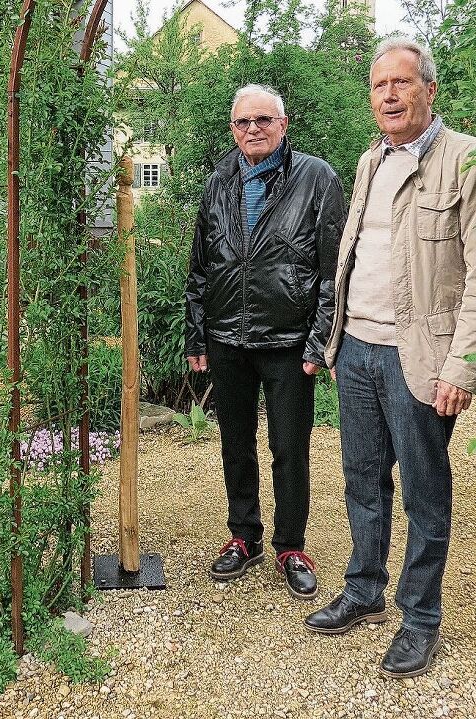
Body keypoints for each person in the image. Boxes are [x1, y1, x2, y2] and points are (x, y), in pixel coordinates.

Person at [305, 38, 476, 678]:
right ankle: (364, 588)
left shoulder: (462, 159)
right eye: (380, 86)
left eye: (403, 83)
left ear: (430, 90)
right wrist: (333, 340)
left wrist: (462, 366)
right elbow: (351, 255)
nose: (390, 95)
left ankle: (421, 619)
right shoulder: (369, 160)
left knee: (425, 493)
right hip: (357, 348)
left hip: (420, 356)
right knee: (362, 479)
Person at [184, 84, 346, 600]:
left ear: (283, 123)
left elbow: (332, 269)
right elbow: (200, 266)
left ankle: (291, 545)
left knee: (289, 447)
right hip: (228, 335)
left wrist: (321, 339)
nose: (251, 129)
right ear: (232, 130)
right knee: (236, 444)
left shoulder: (315, 178)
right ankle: (244, 537)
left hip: (288, 341)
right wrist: (197, 331)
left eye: (262, 120)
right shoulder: (218, 183)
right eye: (241, 123)